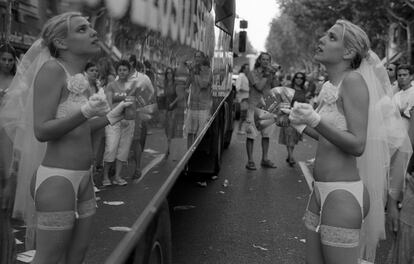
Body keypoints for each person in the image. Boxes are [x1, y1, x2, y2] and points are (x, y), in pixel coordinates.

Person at [0, 12, 132, 263]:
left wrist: (111, 117)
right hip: (58, 180)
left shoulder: (79, 77)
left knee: (76, 256)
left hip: (83, 179)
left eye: (90, 27)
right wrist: (84, 112)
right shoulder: (52, 70)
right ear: (61, 43)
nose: (93, 32)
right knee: (49, 259)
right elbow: (42, 129)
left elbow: (79, 127)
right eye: (82, 29)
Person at [287, 20, 410, 264]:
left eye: (331, 37)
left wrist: (313, 118)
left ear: (348, 52)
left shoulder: (353, 81)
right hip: (319, 191)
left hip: (342, 193)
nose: (321, 39)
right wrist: (298, 123)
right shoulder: (328, 86)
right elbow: (328, 138)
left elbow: (357, 144)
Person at [102, 60, 136, 187]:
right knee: (111, 148)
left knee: (123, 149)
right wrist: (118, 116)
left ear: (129, 71)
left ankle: (117, 176)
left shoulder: (133, 86)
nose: (122, 72)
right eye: (120, 70)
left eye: (125, 70)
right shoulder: (111, 85)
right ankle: (105, 177)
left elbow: (134, 104)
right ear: (117, 71)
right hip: (113, 121)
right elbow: (109, 105)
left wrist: (129, 118)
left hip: (129, 121)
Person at [244, 52, 277, 170]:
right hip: (254, 107)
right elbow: (259, 87)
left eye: (268, 60)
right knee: (251, 135)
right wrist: (267, 75)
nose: (266, 62)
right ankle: (250, 161)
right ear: (259, 61)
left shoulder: (270, 73)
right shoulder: (252, 73)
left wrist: (273, 75)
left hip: (268, 108)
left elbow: (276, 87)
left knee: (266, 136)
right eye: (263, 59)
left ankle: (265, 159)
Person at [0, 42, 17, 264]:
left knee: (4, 200)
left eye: (10, 60)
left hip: (9, 137)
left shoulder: (19, 82)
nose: (6, 63)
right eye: (3, 59)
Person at [128, 56, 155, 182]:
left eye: (128, 63)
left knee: (136, 141)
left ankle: (137, 168)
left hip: (137, 113)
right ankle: (113, 168)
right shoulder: (120, 76)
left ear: (133, 64)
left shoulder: (143, 78)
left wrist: (142, 103)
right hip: (122, 114)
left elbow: (151, 92)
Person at [278, 72, 307, 167]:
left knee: (294, 138)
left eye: (301, 78)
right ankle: (291, 157)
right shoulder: (288, 88)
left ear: (303, 80)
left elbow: (305, 103)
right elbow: (282, 100)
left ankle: (289, 154)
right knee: (289, 136)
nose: (299, 79)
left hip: (299, 117)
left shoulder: (303, 90)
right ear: (294, 78)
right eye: (297, 77)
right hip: (288, 115)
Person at [185, 51, 213, 148]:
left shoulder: (207, 70)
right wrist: (190, 72)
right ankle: (188, 154)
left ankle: (196, 154)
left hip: (203, 107)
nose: (197, 59)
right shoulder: (193, 70)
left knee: (200, 134)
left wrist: (195, 73)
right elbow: (187, 84)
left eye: (199, 57)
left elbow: (203, 85)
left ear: (203, 59)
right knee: (190, 132)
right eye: (195, 57)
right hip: (192, 106)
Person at [392, 64, 414, 130]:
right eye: (399, 75)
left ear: (411, 76)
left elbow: (410, 114)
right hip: (397, 129)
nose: (402, 77)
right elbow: (392, 113)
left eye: (404, 75)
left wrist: (401, 112)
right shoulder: (396, 96)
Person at [164, 67, 179, 156]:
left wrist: (173, 103)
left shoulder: (175, 84)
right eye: (167, 73)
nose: (169, 74)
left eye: (170, 73)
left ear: (173, 74)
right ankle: (168, 143)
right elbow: (165, 95)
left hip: (174, 107)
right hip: (166, 107)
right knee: (166, 127)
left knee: (170, 127)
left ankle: (168, 148)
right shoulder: (165, 83)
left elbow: (179, 96)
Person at [235, 63, 250, 134]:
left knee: (246, 114)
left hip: (247, 98)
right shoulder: (241, 76)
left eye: (248, 68)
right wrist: (247, 90)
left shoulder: (245, 76)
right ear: (243, 69)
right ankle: (239, 129)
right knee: (243, 115)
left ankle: (244, 129)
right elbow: (238, 87)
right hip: (243, 98)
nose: (248, 70)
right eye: (247, 68)